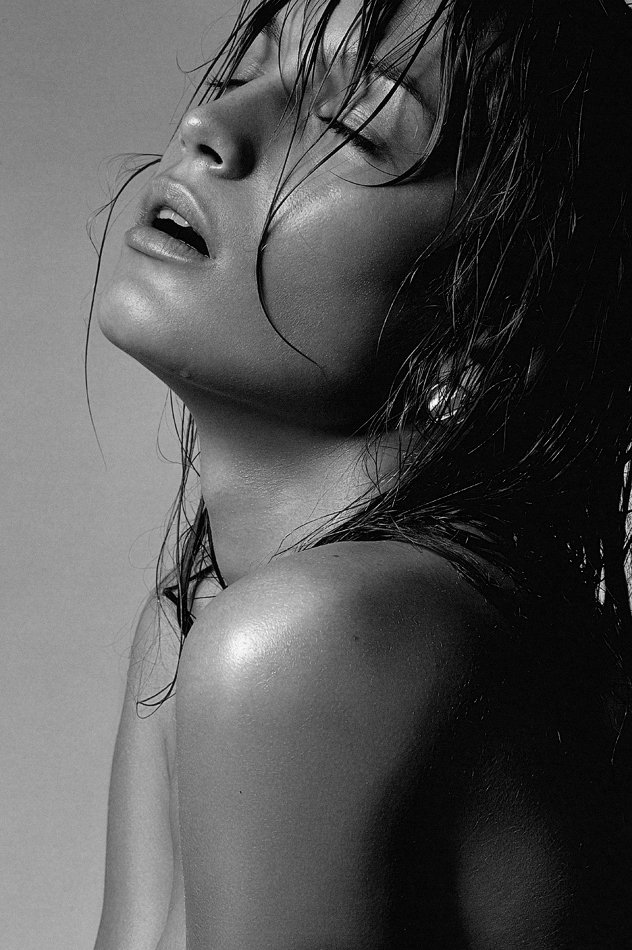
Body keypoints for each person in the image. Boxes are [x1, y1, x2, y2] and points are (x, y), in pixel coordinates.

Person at [92, 0, 632, 946]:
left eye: (351, 125)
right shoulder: (197, 614)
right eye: (241, 73)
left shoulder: (313, 640)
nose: (208, 126)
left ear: (485, 318)